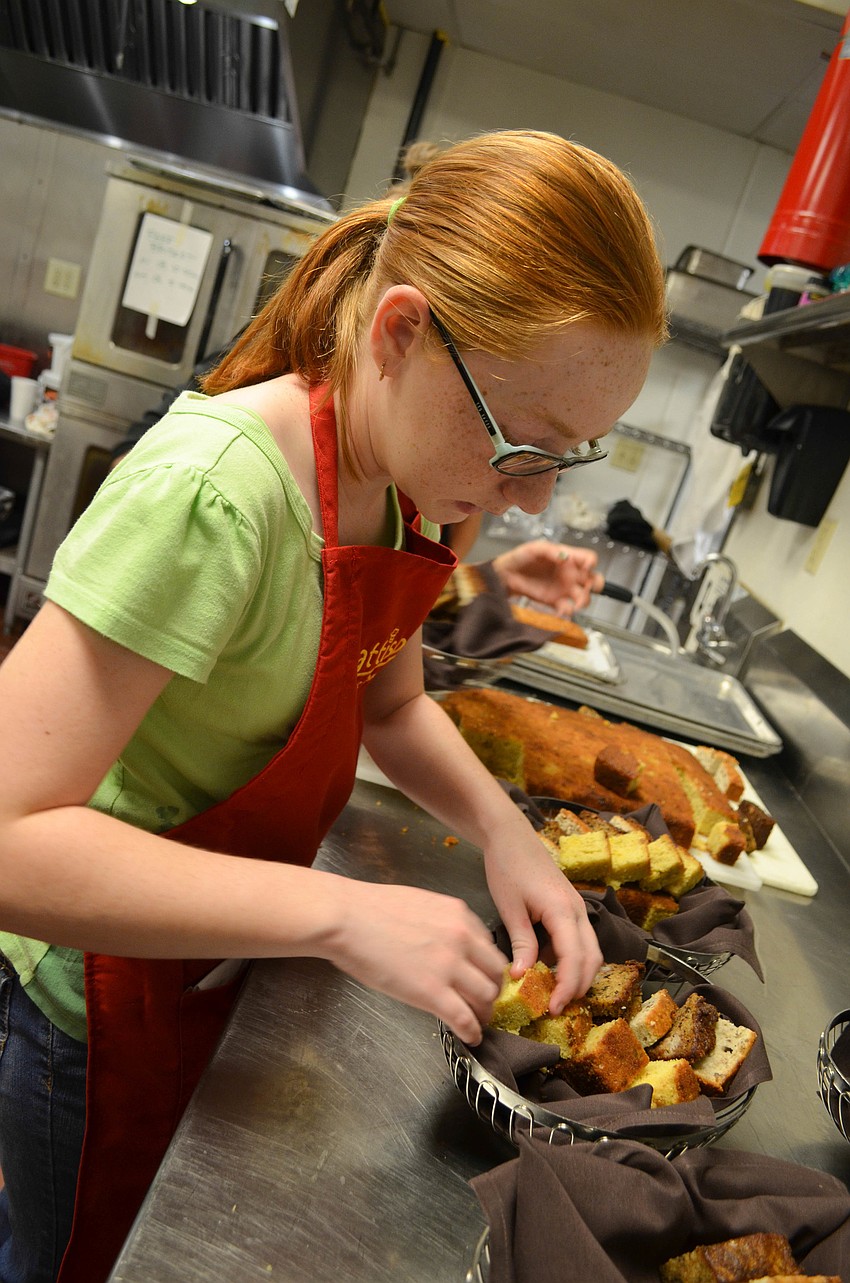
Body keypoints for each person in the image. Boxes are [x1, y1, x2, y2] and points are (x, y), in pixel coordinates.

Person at [0, 129, 666, 1283]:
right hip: (95, 1008)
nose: (532, 496)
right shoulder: (216, 494)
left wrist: (510, 834)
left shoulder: (417, 487)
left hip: (221, 959)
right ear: (401, 331)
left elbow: (393, 702)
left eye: (572, 457)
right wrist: (336, 913)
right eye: (522, 443)